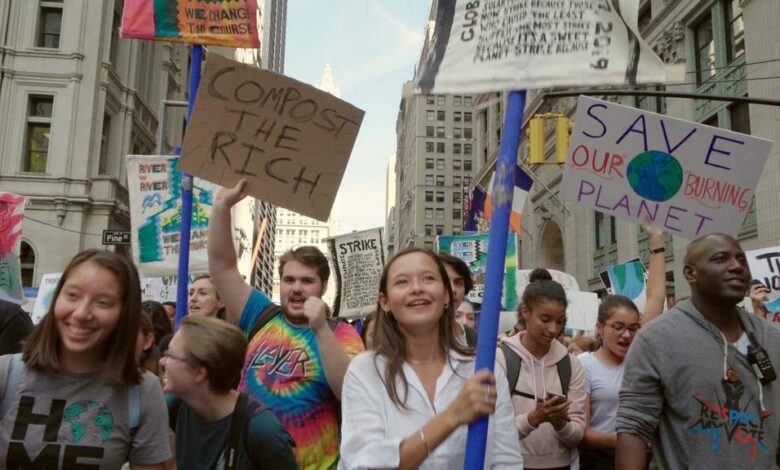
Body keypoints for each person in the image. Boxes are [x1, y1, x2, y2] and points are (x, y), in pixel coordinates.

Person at [209, 179, 364, 470]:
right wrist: (221, 207)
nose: (296, 288)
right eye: (289, 280)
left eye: (307, 281)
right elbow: (222, 267)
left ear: (323, 286)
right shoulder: (260, 314)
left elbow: (351, 394)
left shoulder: (341, 334)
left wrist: (319, 328)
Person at [339, 248, 523, 469]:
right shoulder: (366, 371)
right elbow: (363, 463)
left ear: (446, 295)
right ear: (385, 302)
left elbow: (506, 460)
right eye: (402, 282)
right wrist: (451, 417)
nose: (417, 288)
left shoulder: (482, 369)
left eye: (428, 278)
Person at [616, 233, 780, 469]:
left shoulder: (772, 338)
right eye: (721, 259)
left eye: (741, 260)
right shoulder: (656, 339)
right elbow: (633, 428)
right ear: (690, 273)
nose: (736, 266)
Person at [0, 249, 170, 468]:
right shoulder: (6, 374)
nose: (81, 313)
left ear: (124, 313)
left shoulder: (143, 390)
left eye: (103, 302)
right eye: (72, 295)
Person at [163, 316, 297, 469]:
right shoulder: (174, 406)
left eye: (170, 355)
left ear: (199, 373)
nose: (162, 362)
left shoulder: (261, 429)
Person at [497, 280, 587, 470]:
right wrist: (533, 419)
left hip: (562, 465)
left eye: (560, 321)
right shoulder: (501, 360)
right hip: (511, 464)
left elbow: (577, 434)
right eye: (545, 319)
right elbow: (493, 431)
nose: (553, 329)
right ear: (525, 312)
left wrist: (561, 423)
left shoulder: (571, 365)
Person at [437, 252, 478, 347]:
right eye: (444, 281)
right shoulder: (405, 335)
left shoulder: (473, 338)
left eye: (458, 283)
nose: (453, 289)